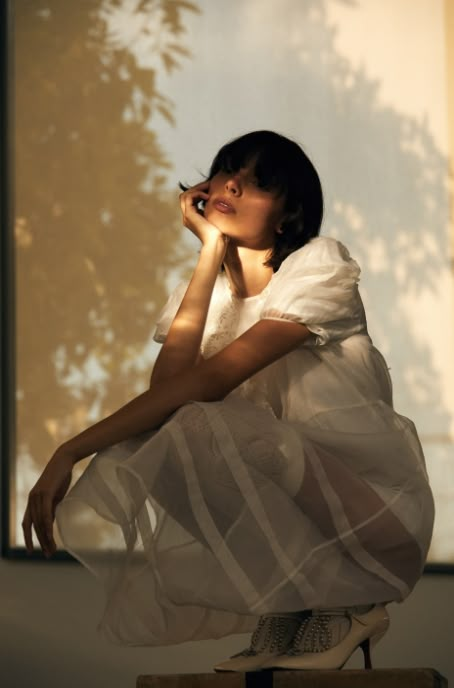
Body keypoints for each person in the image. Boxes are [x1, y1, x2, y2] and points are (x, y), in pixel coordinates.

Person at [22, 130, 434, 672]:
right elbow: (166, 391)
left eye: (259, 183)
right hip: (300, 513)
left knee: (200, 423)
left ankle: (350, 604)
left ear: (289, 215)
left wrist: (69, 452)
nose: (233, 185)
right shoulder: (209, 293)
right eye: (228, 170)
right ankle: (296, 599)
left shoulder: (318, 265)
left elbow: (207, 383)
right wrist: (210, 252)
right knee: (157, 434)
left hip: (374, 519)